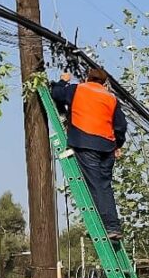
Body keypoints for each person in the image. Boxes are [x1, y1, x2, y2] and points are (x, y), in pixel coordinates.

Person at [50, 67, 128, 241]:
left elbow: (55, 93)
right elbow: (121, 126)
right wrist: (118, 144)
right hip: (107, 147)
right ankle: (112, 226)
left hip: (86, 143)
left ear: (87, 77)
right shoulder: (111, 98)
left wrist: (63, 80)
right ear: (104, 82)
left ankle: (107, 227)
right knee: (104, 185)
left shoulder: (78, 89)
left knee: (94, 186)